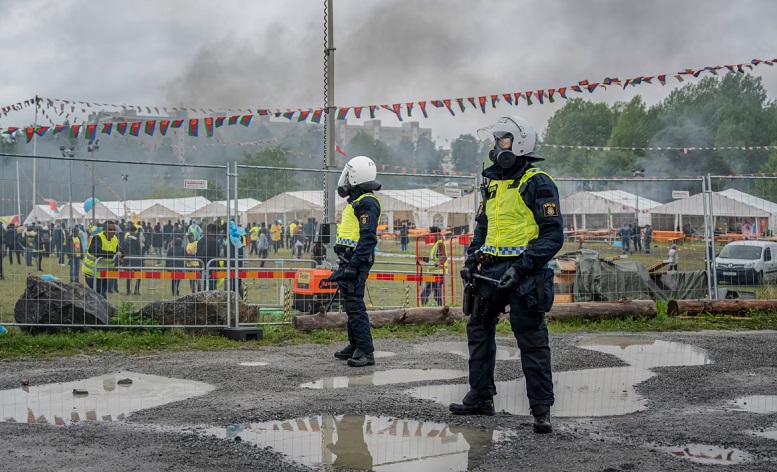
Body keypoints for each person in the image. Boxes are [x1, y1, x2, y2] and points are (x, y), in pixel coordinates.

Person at [450, 116, 563, 435]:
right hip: (491, 270)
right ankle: (481, 395)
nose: (496, 145)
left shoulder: (538, 182)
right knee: (478, 328)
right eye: (496, 140)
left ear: (519, 143)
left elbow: (553, 236)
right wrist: (472, 258)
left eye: (502, 140)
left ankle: (541, 409)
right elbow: (483, 226)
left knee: (531, 337)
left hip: (526, 271)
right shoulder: (493, 181)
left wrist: (522, 266)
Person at [328, 155, 382, 368]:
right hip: (349, 258)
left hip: (356, 261)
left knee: (356, 306)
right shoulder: (357, 202)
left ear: (356, 178)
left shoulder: (367, 203)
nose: (346, 181)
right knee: (350, 304)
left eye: (349, 176)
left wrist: (353, 265)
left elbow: (368, 238)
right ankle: (354, 344)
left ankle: (366, 351)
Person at [82, 220, 123, 298]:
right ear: (104, 230)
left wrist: (121, 255)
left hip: (104, 273)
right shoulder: (97, 238)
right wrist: (114, 254)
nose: (112, 232)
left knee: (99, 297)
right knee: (102, 297)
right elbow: (98, 252)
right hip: (92, 273)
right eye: (110, 230)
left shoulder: (114, 239)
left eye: (114, 230)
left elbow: (120, 250)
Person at [420, 229, 448, 306]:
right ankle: (440, 309)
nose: (429, 236)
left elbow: (443, 257)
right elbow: (432, 260)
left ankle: (425, 310)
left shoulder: (439, 244)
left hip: (437, 274)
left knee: (424, 295)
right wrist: (422, 258)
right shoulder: (436, 244)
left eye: (430, 234)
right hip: (434, 274)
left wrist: (439, 262)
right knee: (437, 296)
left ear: (435, 234)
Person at [119, 223, 143, 296]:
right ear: (135, 231)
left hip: (127, 260)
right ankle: (136, 289)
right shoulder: (136, 240)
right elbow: (139, 251)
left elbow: (121, 250)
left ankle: (128, 291)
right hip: (136, 260)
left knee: (128, 276)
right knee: (138, 275)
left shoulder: (124, 241)